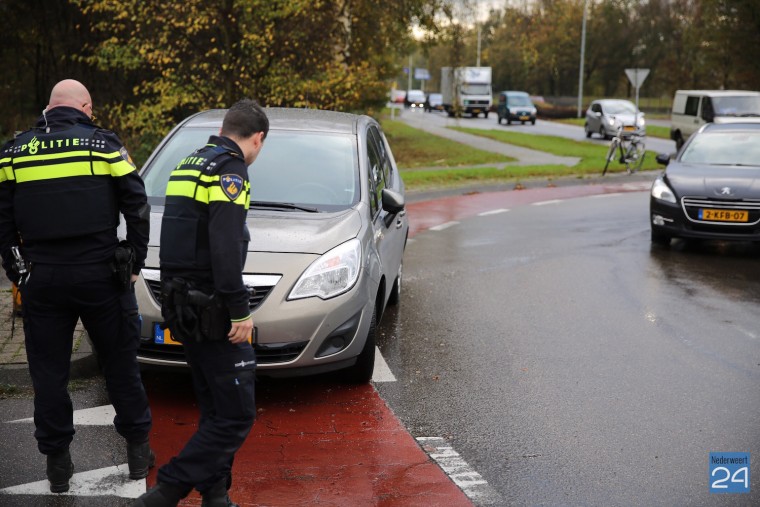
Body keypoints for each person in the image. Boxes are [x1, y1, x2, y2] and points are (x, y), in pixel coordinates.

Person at [0, 79, 154, 492]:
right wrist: (134, 259)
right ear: (84, 107)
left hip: (43, 276)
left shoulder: (14, 150)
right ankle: (138, 454)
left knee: (48, 374)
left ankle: (57, 466)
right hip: (101, 273)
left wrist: (16, 271)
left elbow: (2, 219)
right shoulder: (103, 145)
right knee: (120, 363)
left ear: (50, 107)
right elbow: (136, 203)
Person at [133, 99, 268, 507]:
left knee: (214, 407)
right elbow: (225, 248)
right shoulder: (231, 170)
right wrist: (240, 310)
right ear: (257, 138)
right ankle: (165, 493)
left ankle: (216, 495)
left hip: (182, 303)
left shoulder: (189, 162)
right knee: (235, 415)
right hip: (213, 309)